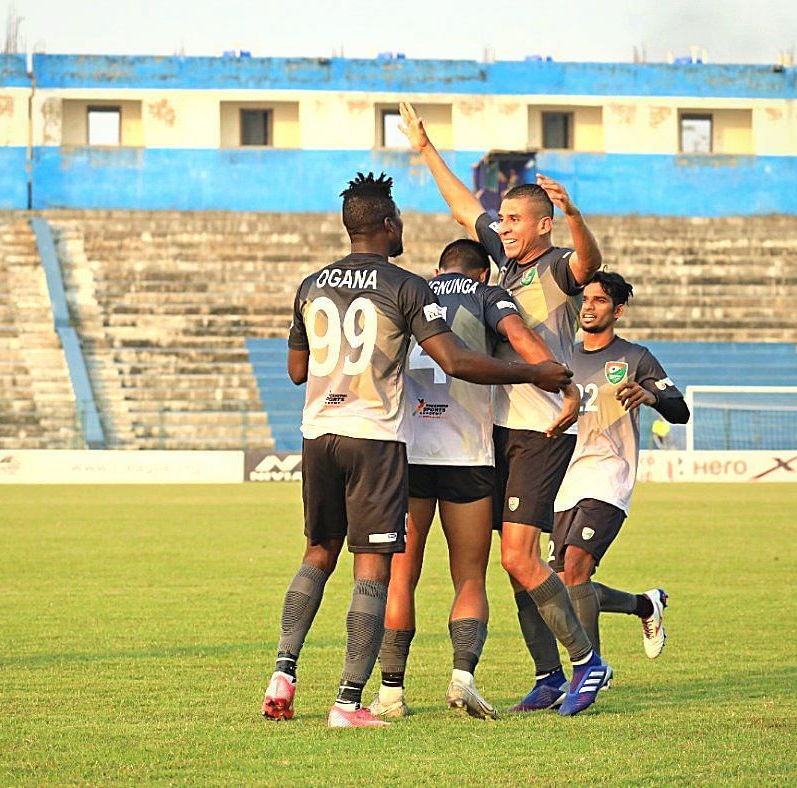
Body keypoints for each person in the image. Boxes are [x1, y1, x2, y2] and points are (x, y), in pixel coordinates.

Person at [261, 172, 573, 728]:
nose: (403, 225)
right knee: (382, 570)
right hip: (381, 438)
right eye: (399, 217)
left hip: (318, 434)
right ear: (387, 225)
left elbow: (295, 370)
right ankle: (350, 703)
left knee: (317, 555)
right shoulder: (408, 286)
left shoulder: (310, 285)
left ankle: (287, 673)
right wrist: (536, 373)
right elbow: (455, 361)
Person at [398, 101, 609, 716]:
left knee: (517, 556)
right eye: (505, 220)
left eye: (516, 219)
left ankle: (587, 664)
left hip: (541, 429)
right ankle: (547, 677)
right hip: (497, 434)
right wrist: (425, 148)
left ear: (543, 225)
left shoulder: (555, 268)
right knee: (515, 561)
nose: (504, 226)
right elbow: (466, 207)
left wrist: (575, 215)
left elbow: (589, 263)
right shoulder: (501, 266)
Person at [370, 239, 578, 721]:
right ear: (483, 273)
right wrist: (557, 379)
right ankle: (462, 676)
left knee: (402, 575)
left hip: (410, 453)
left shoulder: (410, 290)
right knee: (469, 575)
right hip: (468, 455)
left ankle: (391, 693)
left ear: (439, 267)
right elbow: (520, 337)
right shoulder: (485, 294)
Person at [547, 271, 689, 667]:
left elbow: (680, 411)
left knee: (576, 566)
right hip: (564, 477)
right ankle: (644, 605)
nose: (589, 307)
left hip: (610, 474)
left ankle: (588, 672)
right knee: (564, 583)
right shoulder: (563, 355)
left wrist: (650, 396)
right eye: (585, 300)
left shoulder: (635, 357)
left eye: (599, 301)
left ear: (619, 310)